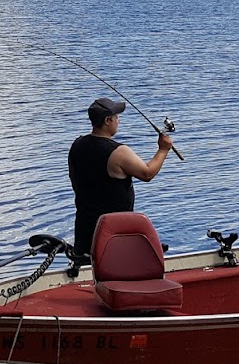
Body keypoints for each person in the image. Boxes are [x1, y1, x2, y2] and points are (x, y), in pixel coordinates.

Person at [68, 97, 174, 260]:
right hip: (112, 234)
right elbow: (147, 173)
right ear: (107, 120)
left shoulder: (77, 145)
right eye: (117, 117)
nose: (119, 120)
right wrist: (163, 149)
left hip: (84, 230)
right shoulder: (118, 152)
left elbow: (73, 178)